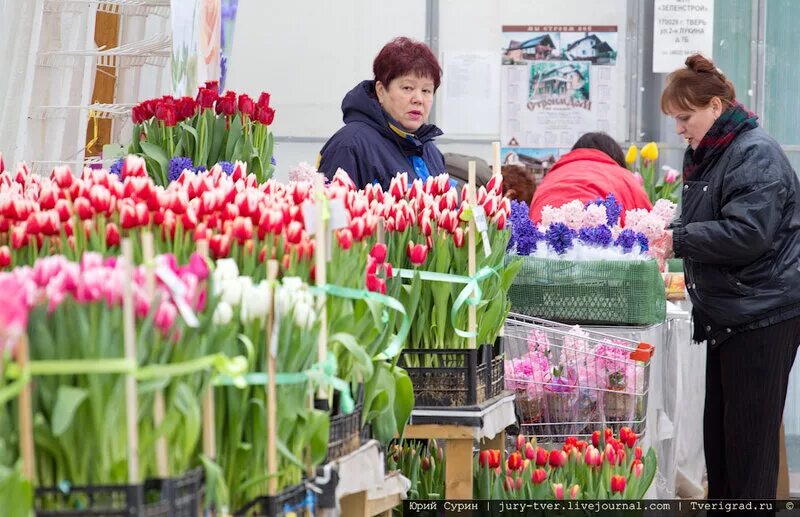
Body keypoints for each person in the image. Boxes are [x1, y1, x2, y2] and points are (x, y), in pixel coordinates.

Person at [661, 54, 800, 500]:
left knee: (747, 452)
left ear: (716, 107)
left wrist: (676, 241)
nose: (679, 128)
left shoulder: (754, 153)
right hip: (731, 314)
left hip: (762, 314)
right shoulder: (710, 154)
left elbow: (748, 233)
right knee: (721, 446)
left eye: (685, 117)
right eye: (675, 120)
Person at [318, 37, 446, 189]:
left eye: (426, 91)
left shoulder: (430, 151)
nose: (418, 99)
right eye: (407, 88)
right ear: (380, 91)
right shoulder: (350, 145)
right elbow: (329, 210)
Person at [528, 132, 652, 222]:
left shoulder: (551, 178)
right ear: (617, 157)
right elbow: (650, 225)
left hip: (542, 250)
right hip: (608, 250)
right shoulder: (624, 177)